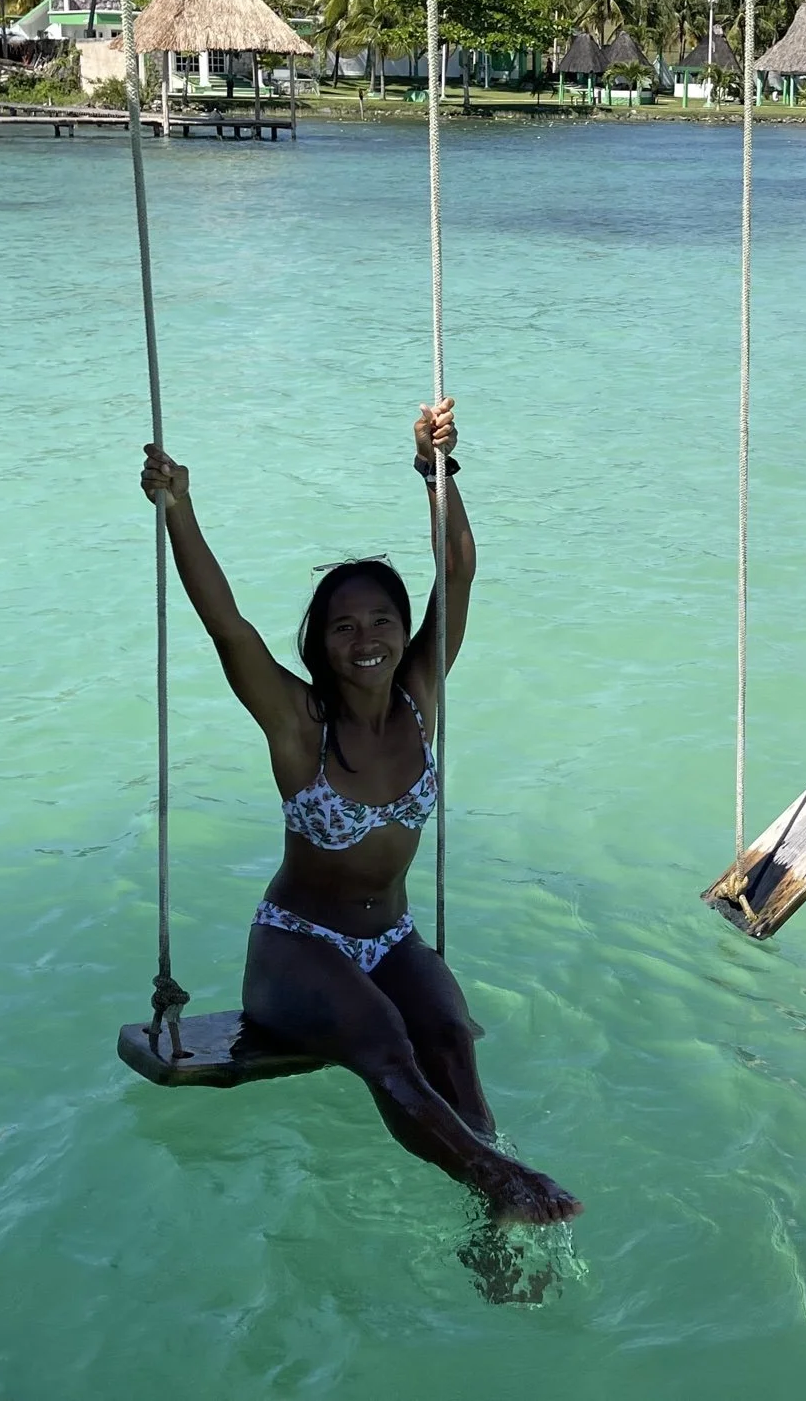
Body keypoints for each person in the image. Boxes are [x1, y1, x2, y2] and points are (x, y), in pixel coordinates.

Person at [139, 400, 579, 1225]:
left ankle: (493, 1217)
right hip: (297, 947)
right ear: (321, 643)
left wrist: (435, 469)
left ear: (403, 629)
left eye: (381, 618)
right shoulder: (298, 723)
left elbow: (459, 570)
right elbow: (226, 626)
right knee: (385, 1044)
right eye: (344, 625)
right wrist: (180, 509)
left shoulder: (419, 695)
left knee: (449, 1037)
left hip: (392, 937)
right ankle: (505, 1183)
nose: (365, 636)